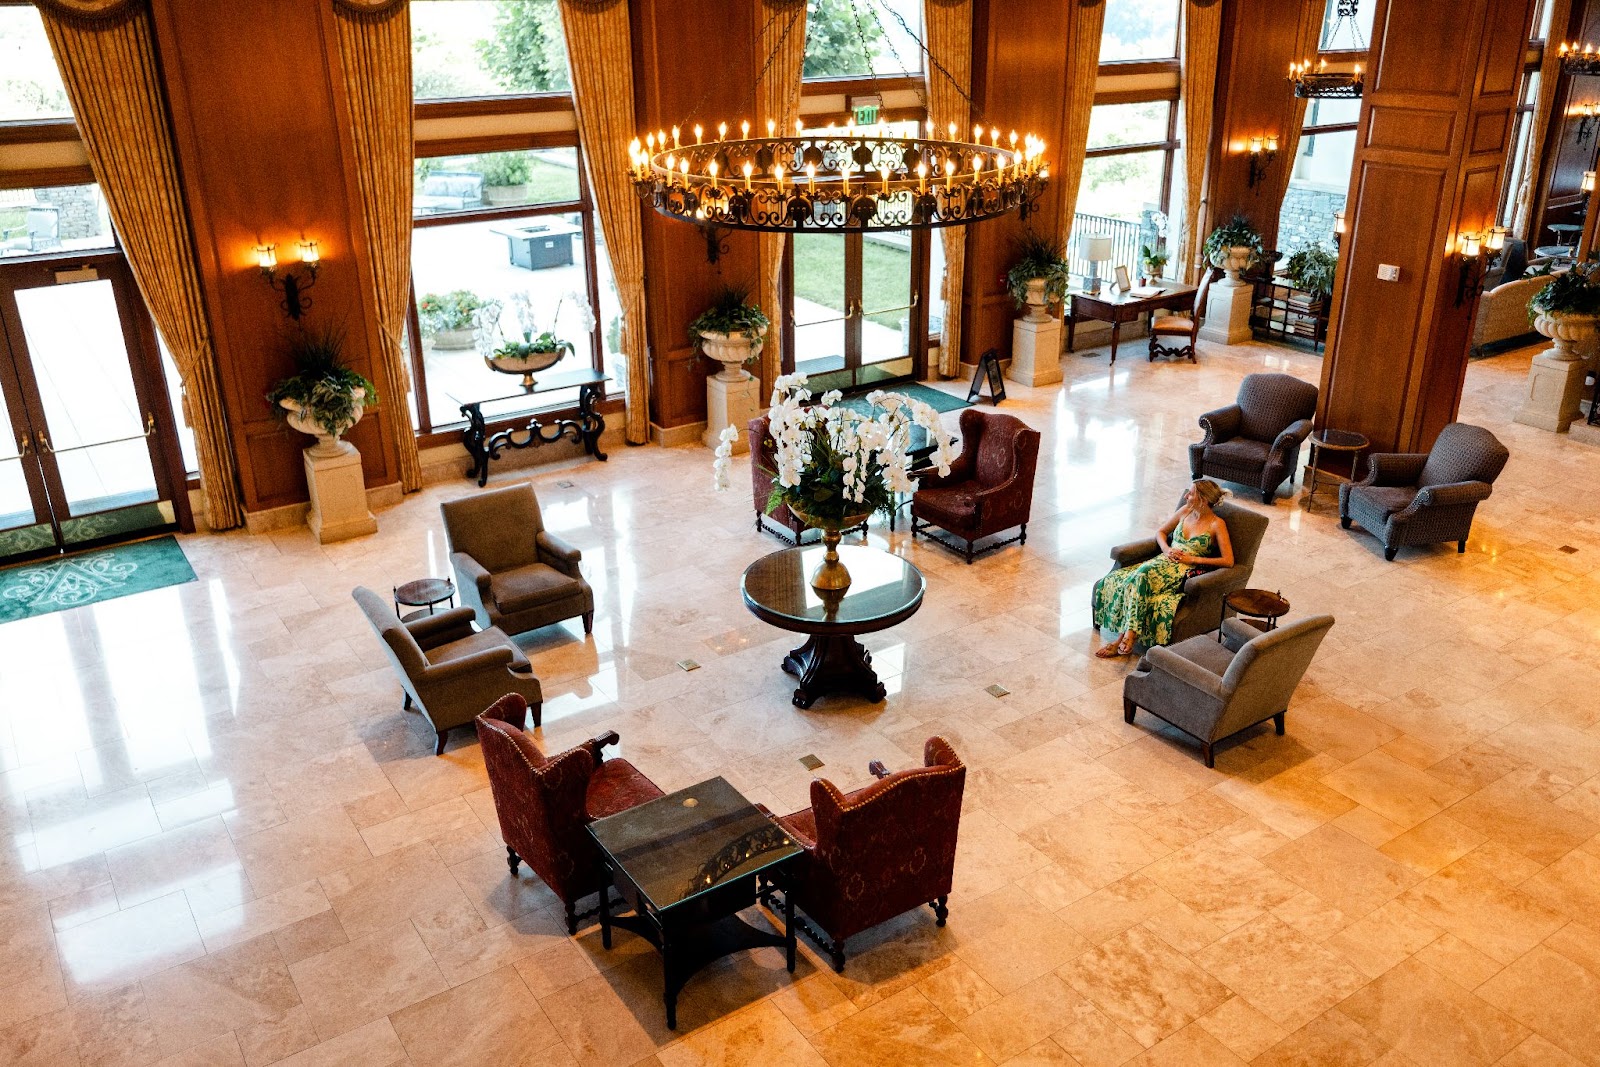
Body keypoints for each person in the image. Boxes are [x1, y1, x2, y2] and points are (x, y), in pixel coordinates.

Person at [1093, 479, 1235, 658]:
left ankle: (1122, 639)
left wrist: (1192, 558)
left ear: (1203, 500)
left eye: (1191, 494)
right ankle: (1128, 635)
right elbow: (1160, 532)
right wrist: (1167, 549)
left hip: (1182, 571)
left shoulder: (1217, 524)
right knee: (1136, 578)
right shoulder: (1185, 511)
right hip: (1161, 562)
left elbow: (1228, 560)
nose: (1186, 496)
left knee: (1140, 577)